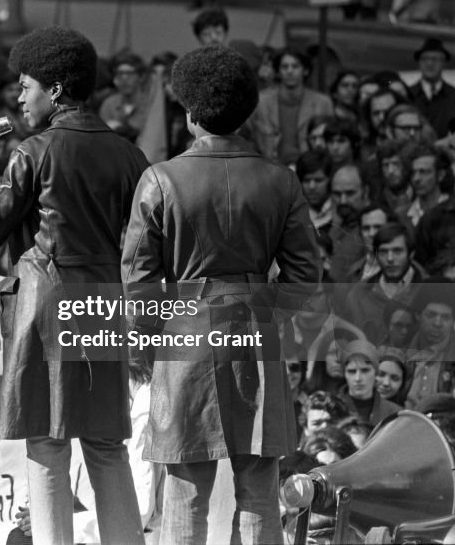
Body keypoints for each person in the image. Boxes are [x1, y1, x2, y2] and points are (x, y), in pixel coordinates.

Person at [122, 45, 320, 545]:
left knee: (185, 490)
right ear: (249, 111)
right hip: (255, 332)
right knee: (258, 485)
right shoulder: (281, 181)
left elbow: (138, 283)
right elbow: (305, 273)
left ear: (189, 115)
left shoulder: (161, 179)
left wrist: (146, 343)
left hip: (185, 334)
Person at [0, 26, 147, 544]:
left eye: (26, 86)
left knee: (47, 443)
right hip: (109, 304)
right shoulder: (131, 156)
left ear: (56, 90)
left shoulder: (33, 151)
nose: (19, 97)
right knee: (107, 444)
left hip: (46, 305)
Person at [409, 38, 455, 137]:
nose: (429, 64)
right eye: (425, 59)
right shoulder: (407, 95)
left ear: (444, 63)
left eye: (435, 59)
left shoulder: (453, 96)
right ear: (419, 63)